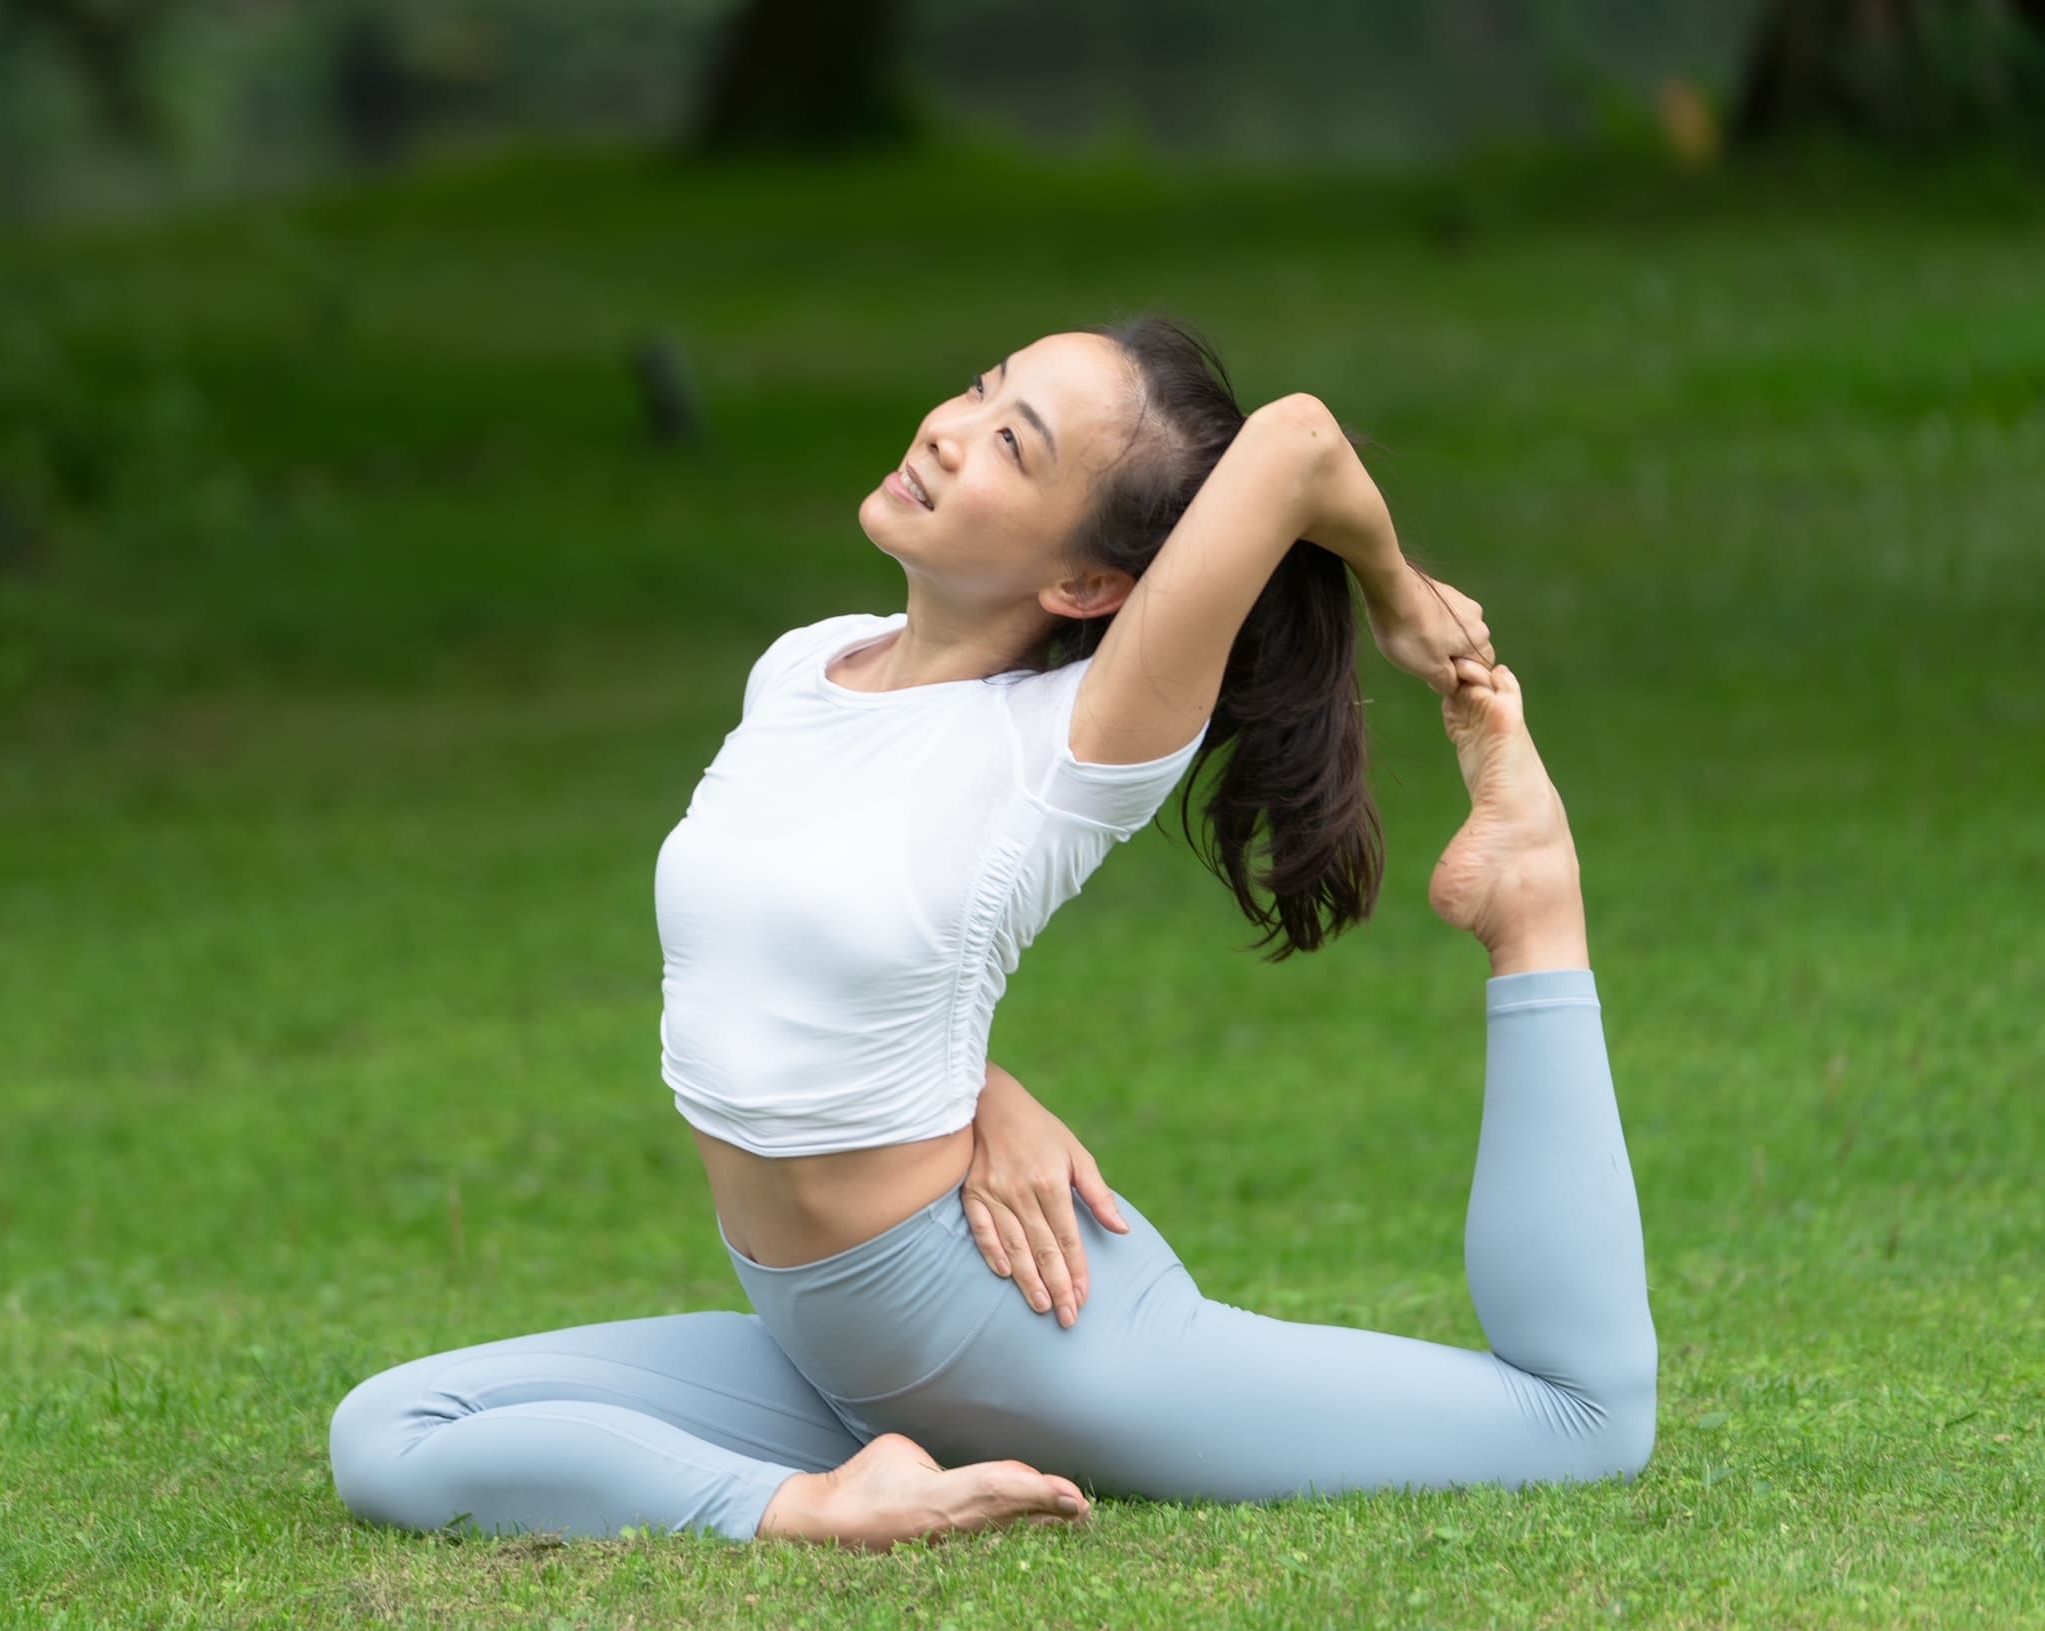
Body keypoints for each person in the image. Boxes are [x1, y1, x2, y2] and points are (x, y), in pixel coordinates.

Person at [330, 317, 1656, 1550]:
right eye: (977, 391)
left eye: (1012, 445)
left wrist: (1396, 586)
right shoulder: (805, 667)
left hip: (1026, 1338)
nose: (947, 431)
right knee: (387, 1433)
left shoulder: (1074, 748)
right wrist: (975, 1089)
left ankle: (1529, 904)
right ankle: (839, 1488)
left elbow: (1298, 439)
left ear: (1084, 581)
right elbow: (791, 961)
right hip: (829, 1348)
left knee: (1579, 1424)